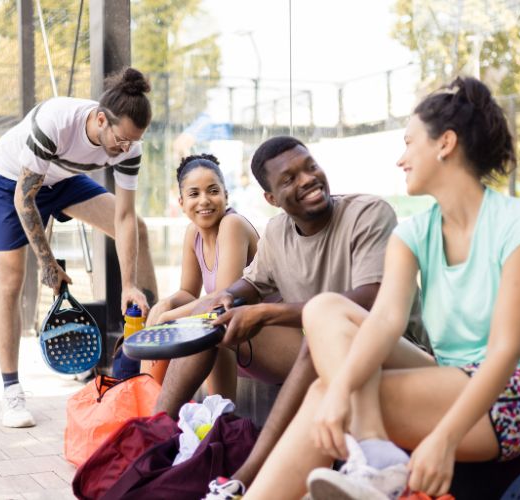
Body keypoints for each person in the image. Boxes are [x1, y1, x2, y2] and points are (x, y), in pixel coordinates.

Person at [245, 77, 520, 500]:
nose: (401, 159)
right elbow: (382, 324)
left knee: (323, 391)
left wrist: (444, 438)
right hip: (450, 377)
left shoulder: (518, 227)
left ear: (445, 144)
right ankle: (378, 454)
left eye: (409, 143)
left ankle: (370, 466)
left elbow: (507, 352)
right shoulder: (414, 234)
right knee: (323, 311)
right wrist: (340, 392)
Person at [148, 136, 429, 500]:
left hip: (394, 358)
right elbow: (251, 283)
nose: (308, 179)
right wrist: (226, 297)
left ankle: (243, 476)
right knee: (217, 320)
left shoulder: (368, 213)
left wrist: (266, 312)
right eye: (289, 178)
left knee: (320, 326)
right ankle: (152, 436)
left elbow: (372, 303)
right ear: (271, 199)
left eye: (310, 167)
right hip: (322, 356)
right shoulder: (277, 232)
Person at [0, 67, 158, 428]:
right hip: (11, 180)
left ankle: (152, 346)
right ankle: (12, 391)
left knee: (138, 227)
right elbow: (24, 198)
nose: (126, 149)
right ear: (100, 119)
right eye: (121, 139)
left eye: (133, 142)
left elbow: (125, 218)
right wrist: (48, 263)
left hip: (63, 179)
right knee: (12, 278)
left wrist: (128, 285)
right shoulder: (56, 122)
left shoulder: (130, 145)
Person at [144, 154, 261, 398]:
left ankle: (221, 423)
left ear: (226, 195)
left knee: (214, 328)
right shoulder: (193, 233)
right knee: (161, 312)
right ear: (182, 201)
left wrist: (168, 317)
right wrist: (164, 306)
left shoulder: (233, 225)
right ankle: (148, 409)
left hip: (263, 335)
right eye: (194, 194)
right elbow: (188, 292)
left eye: (213, 191)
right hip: (240, 335)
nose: (204, 201)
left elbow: (222, 301)